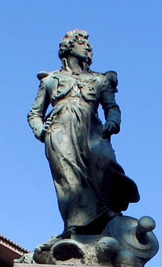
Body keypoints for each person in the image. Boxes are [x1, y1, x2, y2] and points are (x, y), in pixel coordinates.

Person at [27, 29, 140, 237]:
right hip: (60, 132)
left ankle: (108, 217)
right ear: (69, 48)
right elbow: (35, 113)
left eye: (89, 45)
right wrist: (41, 131)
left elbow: (112, 107)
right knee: (68, 180)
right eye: (82, 44)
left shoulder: (99, 80)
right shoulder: (51, 80)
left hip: (93, 133)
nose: (88, 48)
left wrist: (113, 122)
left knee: (105, 168)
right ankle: (73, 226)